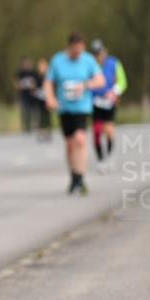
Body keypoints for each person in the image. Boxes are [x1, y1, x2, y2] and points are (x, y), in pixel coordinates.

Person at [43, 32, 106, 196]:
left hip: (82, 108)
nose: (77, 54)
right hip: (64, 108)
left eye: (80, 50)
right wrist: (50, 98)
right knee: (70, 145)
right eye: (74, 51)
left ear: (83, 47)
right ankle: (73, 176)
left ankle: (80, 177)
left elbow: (101, 80)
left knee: (80, 139)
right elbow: (49, 82)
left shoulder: (89, 61)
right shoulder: (58, 60)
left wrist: (85, 85)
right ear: (69, 47)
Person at [89, 39, 128, 173]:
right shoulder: (90, 65)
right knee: (97, 131)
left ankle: (110, 155)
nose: (98, 56)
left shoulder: (114, 63)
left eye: (99, 53)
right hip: (95, 102)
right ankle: (100, 159)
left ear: (104, 51)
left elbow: (123, 81)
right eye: (95, 54)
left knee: (109, 130)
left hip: (109, 101)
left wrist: (114, 92)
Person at [15, 57, 41, 133]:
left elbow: (37, 83)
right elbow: (16, 83)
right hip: (24, 95)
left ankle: (35, 125)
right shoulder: (20, 73)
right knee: (25, 111)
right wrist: (20, 85)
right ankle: (26, 126)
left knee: (34, 111)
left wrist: (34, 87)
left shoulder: (33, 72)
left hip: (32, 95)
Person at [34, 57, 53, 141]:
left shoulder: (48, 76)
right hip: (39, 98)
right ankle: (40, 131)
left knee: (47, 115)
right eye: (40, 66)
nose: (41, 68)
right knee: (39, 115)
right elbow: (34, 86)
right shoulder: (37, 76)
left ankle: (48, 130)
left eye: (43, 66)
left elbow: (51, 86)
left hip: (47, 98)